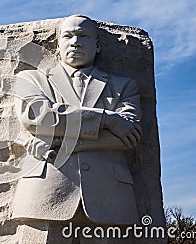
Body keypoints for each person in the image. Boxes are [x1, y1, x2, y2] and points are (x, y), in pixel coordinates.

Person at [12, 15, 142, 243]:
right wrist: (106, 120)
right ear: (58, 44)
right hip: (45, 194)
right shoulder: (31, 79)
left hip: (111, 199)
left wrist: (58, 142)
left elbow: (128, 135)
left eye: (83, 36)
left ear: (97, 45)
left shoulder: (124, 85)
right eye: (68, 36)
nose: (75, 42)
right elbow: (39, 117)